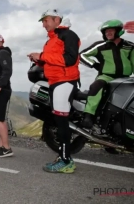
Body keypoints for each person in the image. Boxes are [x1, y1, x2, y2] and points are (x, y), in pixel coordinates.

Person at [28, 9, 80, 173]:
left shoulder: (68, 35)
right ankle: (64, 157)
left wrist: (42, 56)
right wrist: (39, 60)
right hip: (55, 81)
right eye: (43, 22)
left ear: (57, 19)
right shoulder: (51, 40)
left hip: (65, 81)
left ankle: (66, 161)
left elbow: (70, 59)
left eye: (46, 21)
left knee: (61, 122)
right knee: (59, 121)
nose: (43, 24)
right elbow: (53, 62)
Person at [80, 19, 134, 129]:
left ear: (119, 31)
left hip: (125, 79)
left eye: (111, 31)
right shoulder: (100, 45)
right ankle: (88, 116)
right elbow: (81, 55)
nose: (107, 33)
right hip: (106, 77)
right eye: (106, 32)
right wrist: (94, 64)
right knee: (96, 86)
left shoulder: (130, 46)